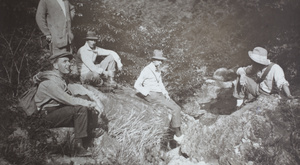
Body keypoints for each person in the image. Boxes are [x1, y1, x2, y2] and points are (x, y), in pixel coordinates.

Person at [34, 52, 104, 157]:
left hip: (58, 111)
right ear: (55, 65)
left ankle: (89, 131)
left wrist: (94, 99)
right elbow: (69, 100)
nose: (69, 64)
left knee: (83, 98)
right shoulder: (49, 82)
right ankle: (78, 147)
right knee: (79, 108)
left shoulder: (61, 79)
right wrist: (92, 104)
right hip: (46, 116)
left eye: (69, 62)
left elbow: (78, 89)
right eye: (64, 62)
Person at [134, 49, 184, 144]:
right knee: (175, 109)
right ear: (153, 60)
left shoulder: (157, 69)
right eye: (159, 60)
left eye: (162, 60)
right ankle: (178, 135)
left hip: (159, 94)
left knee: (177, 107)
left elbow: (160, 83)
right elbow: (137, 84)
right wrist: (146, 92)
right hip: (152, 94)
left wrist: (165, 93)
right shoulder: (147, 70)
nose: (161, 62)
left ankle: (176, 130)